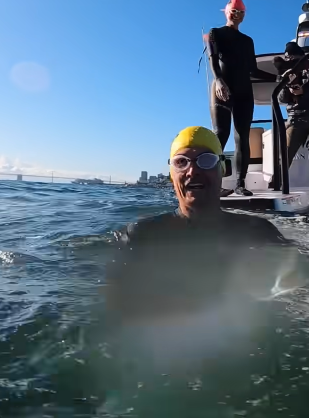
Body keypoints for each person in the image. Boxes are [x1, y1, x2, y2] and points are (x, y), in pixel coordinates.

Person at [105, 126, 295, 321]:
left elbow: (295, 289)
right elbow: (118, 304)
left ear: (223, 170)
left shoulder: (260, 232)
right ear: (172, 174)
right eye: (181, 162)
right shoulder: (140, 236)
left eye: (206, 160)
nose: (193, 170)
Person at [206, 0, 275, 197]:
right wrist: (219, 80)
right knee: (221, 135)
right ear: (226, 12)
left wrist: (278, 76)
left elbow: (253, 70)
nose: (237, 15)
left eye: (241, 13)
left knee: (242, 137)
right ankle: (212, 184)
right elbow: (213, 58)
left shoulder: (247, 41)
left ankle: (240, 184)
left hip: (244, 92)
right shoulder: (215, 33)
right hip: (222, 88)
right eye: (234, 11)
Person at [272, 42, 309, 188]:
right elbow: (280, 99)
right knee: (284, 153)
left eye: (295, 58)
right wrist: (287, 86)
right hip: (296, 119)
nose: (292, 62)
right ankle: (276, 184)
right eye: (289, 59)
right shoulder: (285, 72)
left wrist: (304, 91)